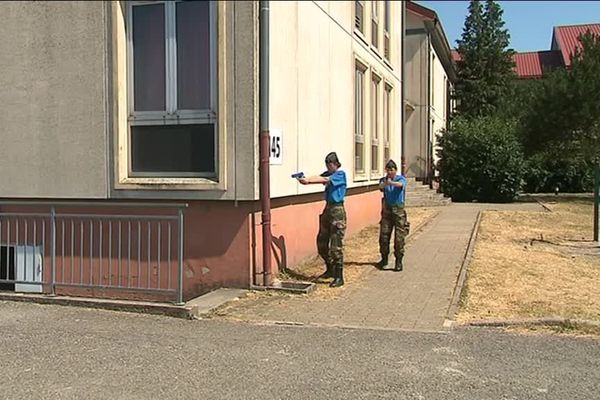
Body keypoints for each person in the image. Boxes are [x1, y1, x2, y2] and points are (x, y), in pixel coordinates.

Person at [297, 152, 347, 287]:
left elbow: (325, 180)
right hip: (328, 209)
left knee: (336, 246)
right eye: (327, 164)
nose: (328, 167)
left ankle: (339, 276)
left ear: (336, 164)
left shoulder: (340, 174)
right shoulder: (329, 173)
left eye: (330, 164)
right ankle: (330, 269)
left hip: (337, 210)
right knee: (321, 243)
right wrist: (305, 179)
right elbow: (320, 177)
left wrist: (308, 181)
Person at [376, 159, 409, 271]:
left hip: (398, 211)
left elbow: (401, 185)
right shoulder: (384, 180)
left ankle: (398, 261)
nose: (390, 172)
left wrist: (391, 183)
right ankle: (384, 259)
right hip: (387, 211)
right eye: (388, 170)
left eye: (392, 169)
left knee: (399, 238)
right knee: (384, 237)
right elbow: (380, 187)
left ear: (396, 170)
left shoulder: (401, 178)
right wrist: (384, 183)